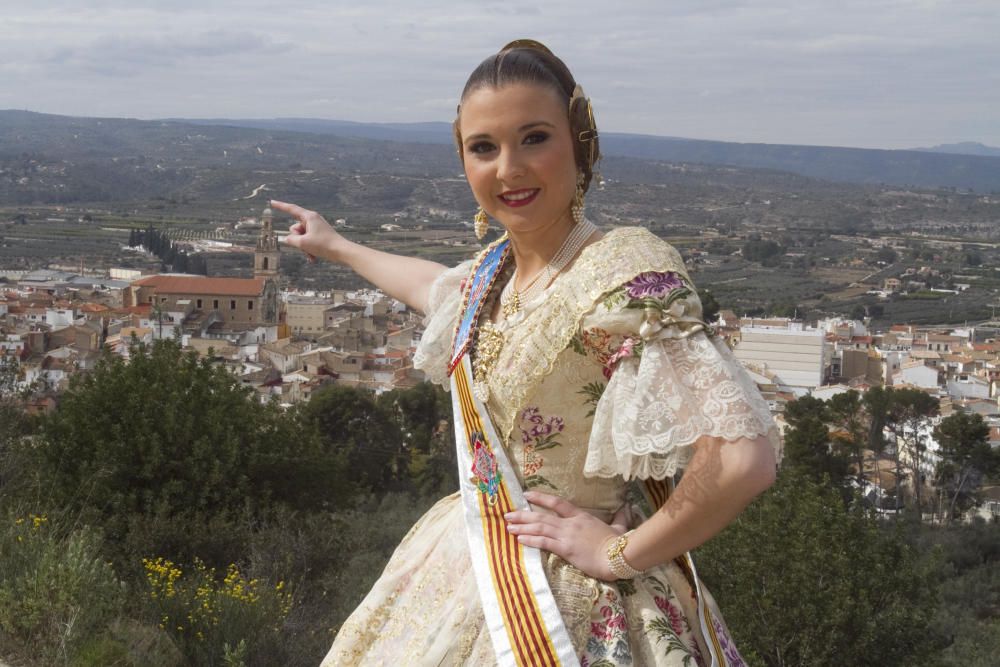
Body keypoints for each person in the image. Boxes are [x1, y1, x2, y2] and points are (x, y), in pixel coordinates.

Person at [273, 39, 780, 667]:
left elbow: (743, 461)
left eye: (534, 138)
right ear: (464, 161)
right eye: (484, 147)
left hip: (578, 598)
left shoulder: (627, 268)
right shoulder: (493, 274)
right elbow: (431, 288)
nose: (508, 168)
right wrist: (336, 245)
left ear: (580, 143)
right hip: (473, 565)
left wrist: (619, 554)